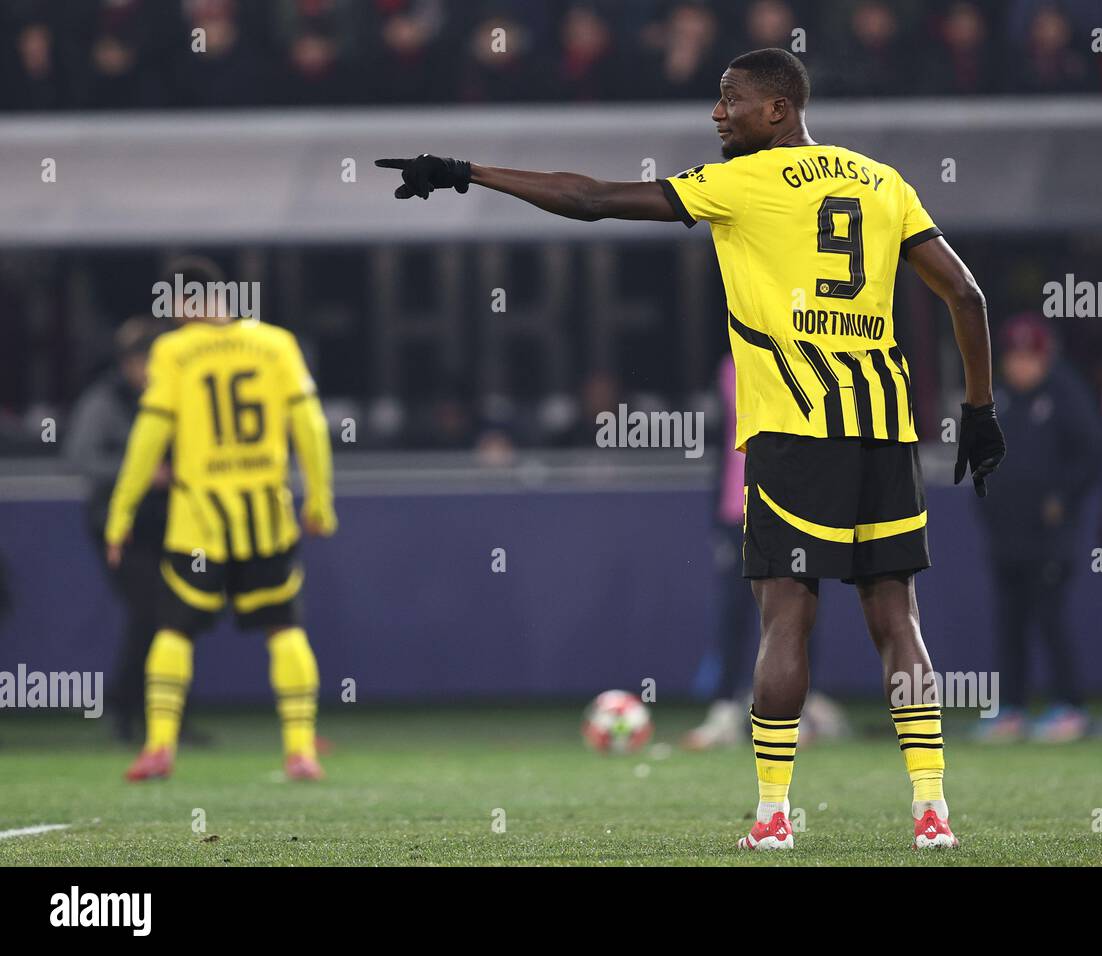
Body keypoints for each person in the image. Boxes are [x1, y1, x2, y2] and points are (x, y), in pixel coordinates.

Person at [376, 46, 1004, 850]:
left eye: (730, 100)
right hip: (883, 431)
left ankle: (774, 818)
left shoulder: (742, 183)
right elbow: (965, 292)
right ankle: (932, 811)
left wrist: (467, 172)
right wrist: (980, 411)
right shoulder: (884, 181)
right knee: (896, 616)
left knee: (785, 618)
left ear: (777, 110)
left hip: (792, 430)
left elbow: (592, 198)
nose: (717, 114)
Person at [104, 257, 337, 781]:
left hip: (198, 523)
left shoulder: (174, 352)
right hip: (266, 517)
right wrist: (320, 500)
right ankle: (301, 750)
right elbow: (312, 426)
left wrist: (121, 511)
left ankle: (159, 746)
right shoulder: (277, 344)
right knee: (284, 628)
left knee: (173, 630)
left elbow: (150, 436)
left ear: (181, 304)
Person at [683, 354, 848, 751]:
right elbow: (722, 444)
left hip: (792, 505)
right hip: (736, 509)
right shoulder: (730, 365)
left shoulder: (805, 355)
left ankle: (801, 709)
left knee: (796, 609)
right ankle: (724, 709)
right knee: (733, 612)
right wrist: (717, 513)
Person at [975, 313, 1102, 743]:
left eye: (1030, 357)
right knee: (1009, 623)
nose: (1021, 366)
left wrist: (1062, 500)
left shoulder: (1065, 393)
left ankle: (1071, 707)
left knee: (1051, 620)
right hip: (1006, 535)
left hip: (1051, 538)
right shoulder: (997, 399)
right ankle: (1011, 708)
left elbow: (1090, 454)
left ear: (1045, 357)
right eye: (1014, 356)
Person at [64, 317, 170, 742]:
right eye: (142, 361)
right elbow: (80, 458)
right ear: (127, 363)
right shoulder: (105, 400)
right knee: (150, 612)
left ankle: (165, 717)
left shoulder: (171, 396)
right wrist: (142, 474)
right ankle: (127, 713)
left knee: (175, 619)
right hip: (120, 526)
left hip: (169, 523)